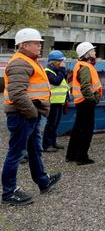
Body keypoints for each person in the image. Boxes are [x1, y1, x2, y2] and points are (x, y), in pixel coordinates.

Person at [2, 28, 62, 205]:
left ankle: (43, 181)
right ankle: (8, 192)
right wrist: (33, 113)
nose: (39, 46)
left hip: (29, 115)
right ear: (23, 45)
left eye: (39, 43)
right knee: (16, 153)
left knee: (35, 150)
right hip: (23, 115)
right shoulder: (20, 63)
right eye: (36, 43)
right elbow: (17, 94)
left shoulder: (28, 61)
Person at [66, 42, 102, 165]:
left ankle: (71, 155)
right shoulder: (86, 67)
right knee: (87, 130)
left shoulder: (80, 65)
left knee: (77, 128)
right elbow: (86, 87)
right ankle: (82, 157)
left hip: (81, 101)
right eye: (92, 51)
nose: (95, 53)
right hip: (86, 102)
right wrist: (93, 99)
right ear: (87, 54)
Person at [42, 50, 69, 152]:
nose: (62, 63)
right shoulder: (48, 71)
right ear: (54, 61)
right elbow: (56, 81)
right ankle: (46, 145)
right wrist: (62, 70)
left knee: (56, 123)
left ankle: (53, 142)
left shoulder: (57, 71)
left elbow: (63, 82)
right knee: (51, 124)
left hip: (59, 101)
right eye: (60, 61)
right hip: (52, 101)